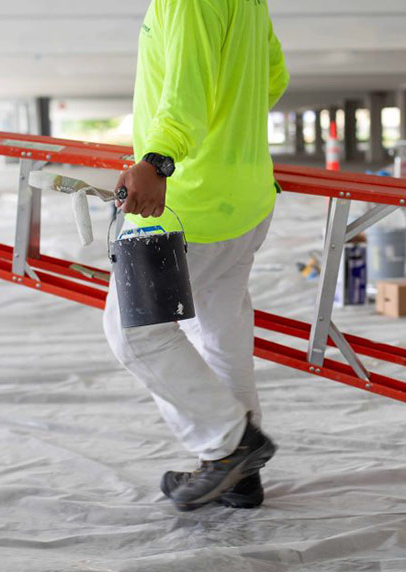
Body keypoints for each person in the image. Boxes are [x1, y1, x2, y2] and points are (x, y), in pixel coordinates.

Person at [103, 0, 289, 511]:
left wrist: (157, 160)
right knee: (220, 333)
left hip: (190, 208)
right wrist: (230, 125)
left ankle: (230, 446)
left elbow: (186, 95)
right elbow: (273, 77)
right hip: (245, 201)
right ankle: (239, 477)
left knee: (133, 333)